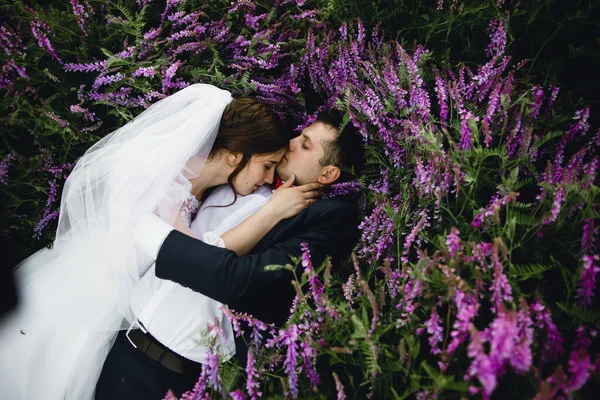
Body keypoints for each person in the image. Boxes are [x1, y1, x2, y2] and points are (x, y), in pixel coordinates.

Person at [0, 84, 320, 400]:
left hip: (121, 316)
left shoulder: (209, 192)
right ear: (236, 155)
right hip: (86, 301)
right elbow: (196, 258)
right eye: (266, 166)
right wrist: (273, 211)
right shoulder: (166, 179)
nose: (267, 179)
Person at [130, 111, 365, 383]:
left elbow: (243, 278)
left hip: (173, 371)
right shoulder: (246, 172)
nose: (291, 142)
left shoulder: (328, 218)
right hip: (125, 329)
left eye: (305, 144)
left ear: (328, 173)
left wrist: (150, 234)